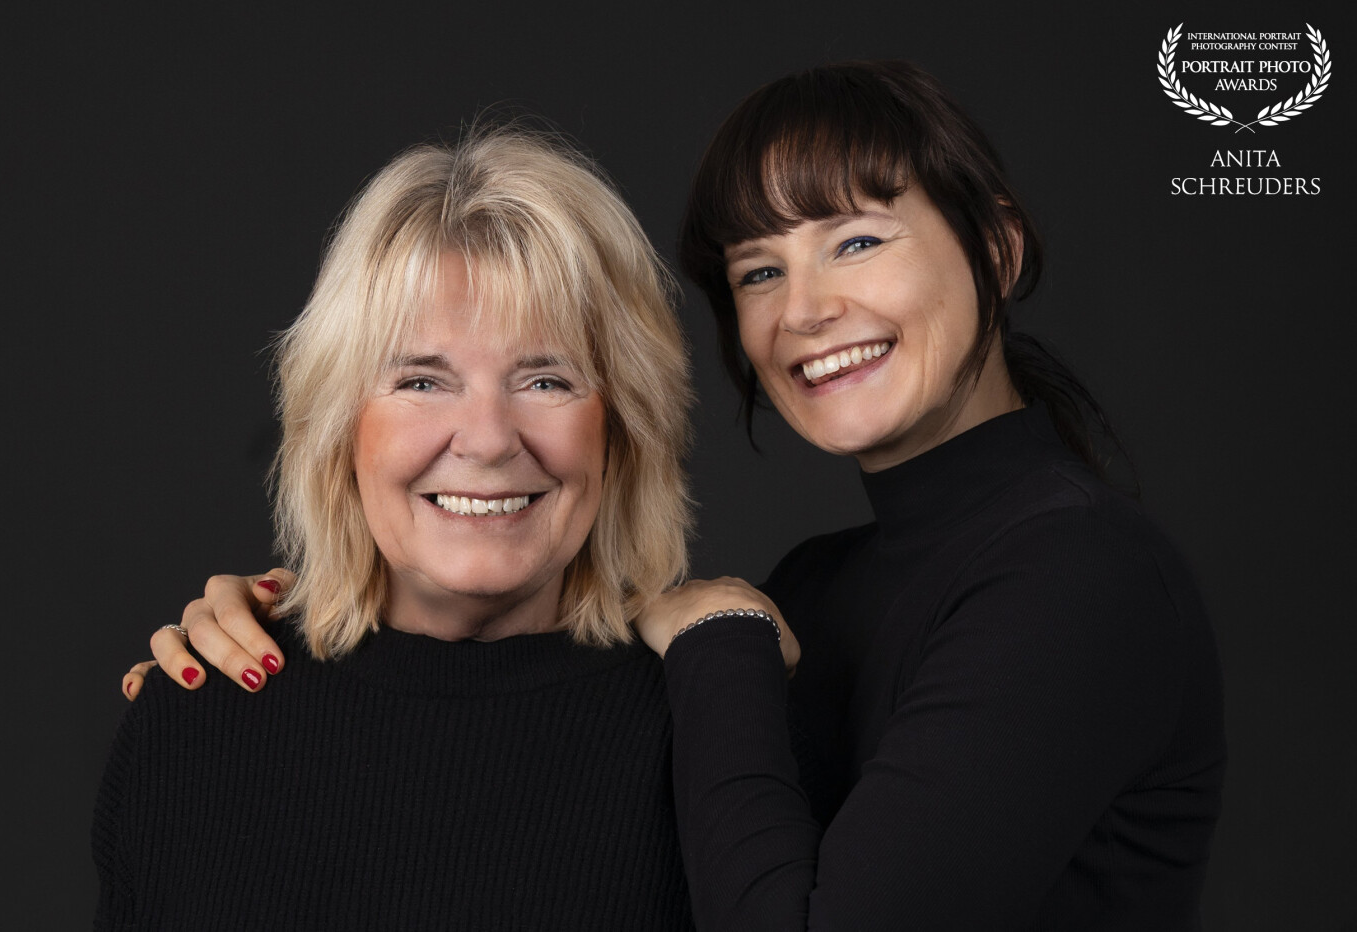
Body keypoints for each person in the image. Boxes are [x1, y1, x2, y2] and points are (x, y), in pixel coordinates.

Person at [126, 62, 1225, 931]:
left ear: (996, 245)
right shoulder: (814, 592)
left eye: (855, 240)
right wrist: (304, 616)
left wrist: (721, 639)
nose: (805, 309)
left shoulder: (1078, 574)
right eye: (758, 271)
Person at [93, 127, 701, 929]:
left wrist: (729, 650)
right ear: (340, 427)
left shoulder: (709, 730)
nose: (488, 439)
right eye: (421, 380)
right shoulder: (195, 721)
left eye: (546, 380)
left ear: (620, 428)